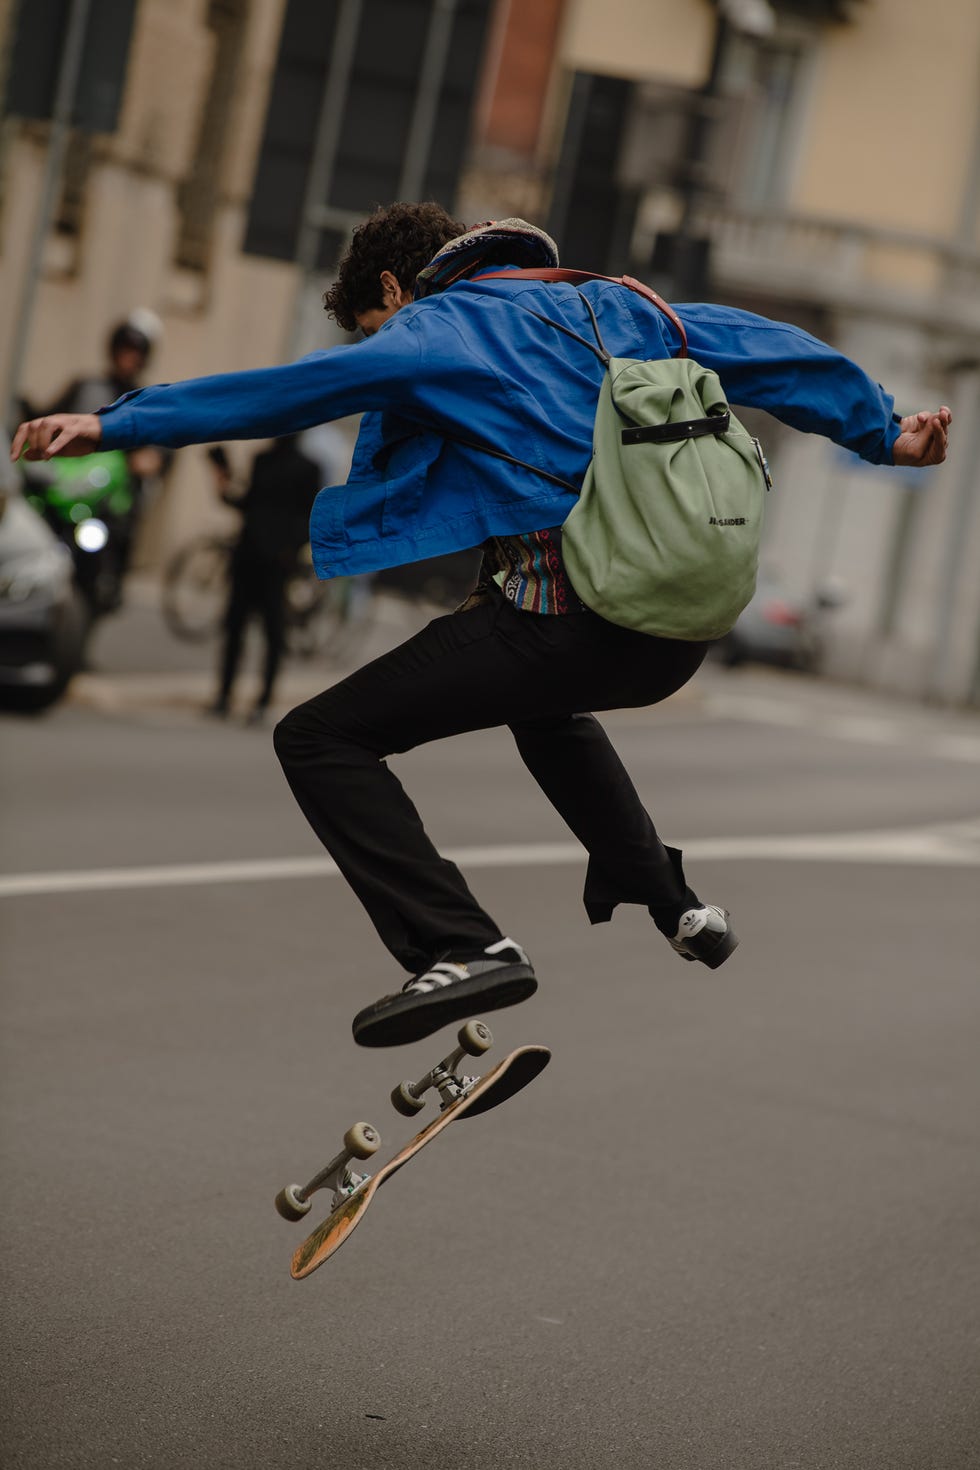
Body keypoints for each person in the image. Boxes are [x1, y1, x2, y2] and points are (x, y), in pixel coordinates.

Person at [12, 202, 952, 1051]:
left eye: (377, 325)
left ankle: (462, 944)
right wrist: (886, 429)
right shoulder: (616, 306)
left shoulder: (436, 326)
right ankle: (669, 899)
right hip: (675, 630)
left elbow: (291, 389)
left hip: (570, 618)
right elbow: (764, 347)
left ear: (392, 287)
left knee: (320, 736)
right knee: (542, 708)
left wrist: (116, 426)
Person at [206, 436, 322, 724]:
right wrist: (224, 473)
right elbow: (246, 503)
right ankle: (224, 696)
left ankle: (262, 700)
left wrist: (289, 551)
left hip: (276, 563)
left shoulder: (308, 467)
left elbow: (308, 517)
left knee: (272, 632)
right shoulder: (263, 460)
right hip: (249, 556)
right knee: (235, 628)